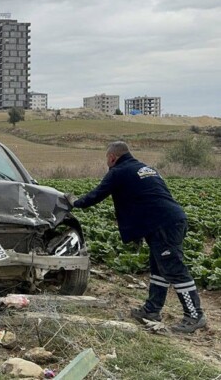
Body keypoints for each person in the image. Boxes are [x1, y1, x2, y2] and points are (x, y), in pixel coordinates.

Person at [67, 141, 207, 333]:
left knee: (174, 270)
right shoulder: (146, 168)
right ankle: (151, 310)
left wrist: (75, 202)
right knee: (158, 269)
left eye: (107, 160)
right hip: (170, 220)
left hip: (163, 224)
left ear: (112, 157)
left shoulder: (118, 171)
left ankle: (194, 315)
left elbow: (96, 195)